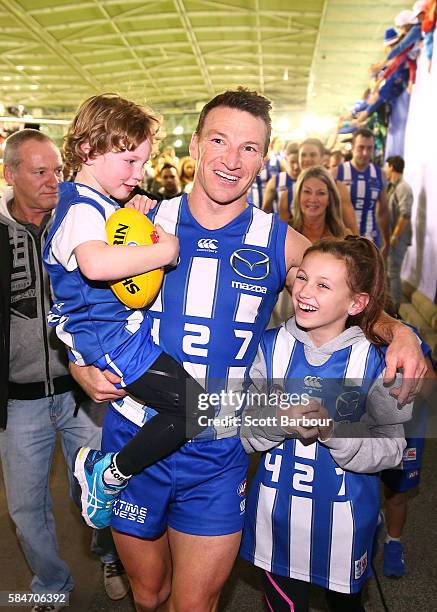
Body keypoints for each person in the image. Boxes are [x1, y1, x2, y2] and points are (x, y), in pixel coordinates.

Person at [69, 88, 426, 612]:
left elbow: (349, 291)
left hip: (220, 447)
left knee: (194, 605)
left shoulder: (279, 241)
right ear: (194, 145)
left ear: (265, 155)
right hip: (136, 437)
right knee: (149, 596)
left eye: (250, 148)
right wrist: (79, 366)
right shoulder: (141, 223)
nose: (232, 161)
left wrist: (401, 332)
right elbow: (84, 307)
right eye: (219, 141)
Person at [43, 93, 213, 531]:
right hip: (112, 342)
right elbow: (96, 265)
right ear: (88, 149)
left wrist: (129, 215)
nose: (139, 176)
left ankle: (117, 468)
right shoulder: (80, 205)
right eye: (130, 162)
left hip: (117, 338)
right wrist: (166, 251)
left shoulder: (92, 203)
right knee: (196, 409)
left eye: (143, 164)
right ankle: (109, 473)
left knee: (181, 408)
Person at [240, 236, 413, 612]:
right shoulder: (267, 348)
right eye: (302, 278)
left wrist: (335, 434)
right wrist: (278, 421)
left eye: (323, 285)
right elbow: (242, 431)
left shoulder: (377, 363)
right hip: (277, 520)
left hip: (346, 526)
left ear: (357, 303)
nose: (304, 291)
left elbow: (394, 447)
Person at [0, 129, 128, 608]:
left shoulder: (82, 219)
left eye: (57, 169)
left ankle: (111, 555)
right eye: (40, 172)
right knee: (26, 508)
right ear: (10, 175)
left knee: (99, 490)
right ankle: (51, 586)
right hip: (19, 401)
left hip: (86, 394)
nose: (54, 180)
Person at [280, 138, 359, 233]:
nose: (307, 159)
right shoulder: (287, 195)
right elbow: (283, 235)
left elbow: (352, 227)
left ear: (323, 158)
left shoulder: (339, 188)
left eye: (313, 155)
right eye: (303, 155)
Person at [333, 128, 390, 255]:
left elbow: (383, 211)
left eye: (370, 148)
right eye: (361, 147)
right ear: (352, 147)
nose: (365, 152)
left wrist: (387, 240)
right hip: (342, 241)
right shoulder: (337, 172)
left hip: (370, 241)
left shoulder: (380, 174)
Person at [290, 165, 351, 242]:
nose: (313, 199)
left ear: (329, 198)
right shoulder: (283, 233)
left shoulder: (344, 236)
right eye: (307, 192)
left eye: (321, 193)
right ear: (298, 195)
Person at [385, 155, 413, 312]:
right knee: (390, 272)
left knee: (394, 273)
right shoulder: (393, 186)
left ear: (391, 167)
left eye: (386, 166)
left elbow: (405, 214)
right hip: (392, 238)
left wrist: (395, 235)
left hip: (398, 239)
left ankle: (396, 310)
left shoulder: (403, 187)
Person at [262, 141, 299, 219]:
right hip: (281, 228)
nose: (296, 167)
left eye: (298, 162)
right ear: (286, 159)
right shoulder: (275, 181)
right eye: (292, 162)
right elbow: (266, 210)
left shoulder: (308, 180)